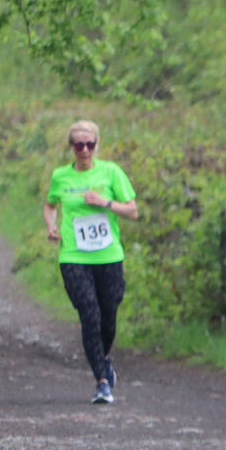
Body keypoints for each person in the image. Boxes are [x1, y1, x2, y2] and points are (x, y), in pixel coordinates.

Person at [43, 120, 138, 405]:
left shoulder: (111, 172)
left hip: (108, 256)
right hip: (73, 256)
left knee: (108, 316)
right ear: (71, 147)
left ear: (97, 144)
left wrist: (104, 203)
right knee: (90, 315)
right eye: (79, 145)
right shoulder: (61, 176)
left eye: (90, 144)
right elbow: (50, 204)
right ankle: (102, 381)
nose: (84, 150)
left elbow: (132, 211)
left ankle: (105, 358)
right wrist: (50, 226)